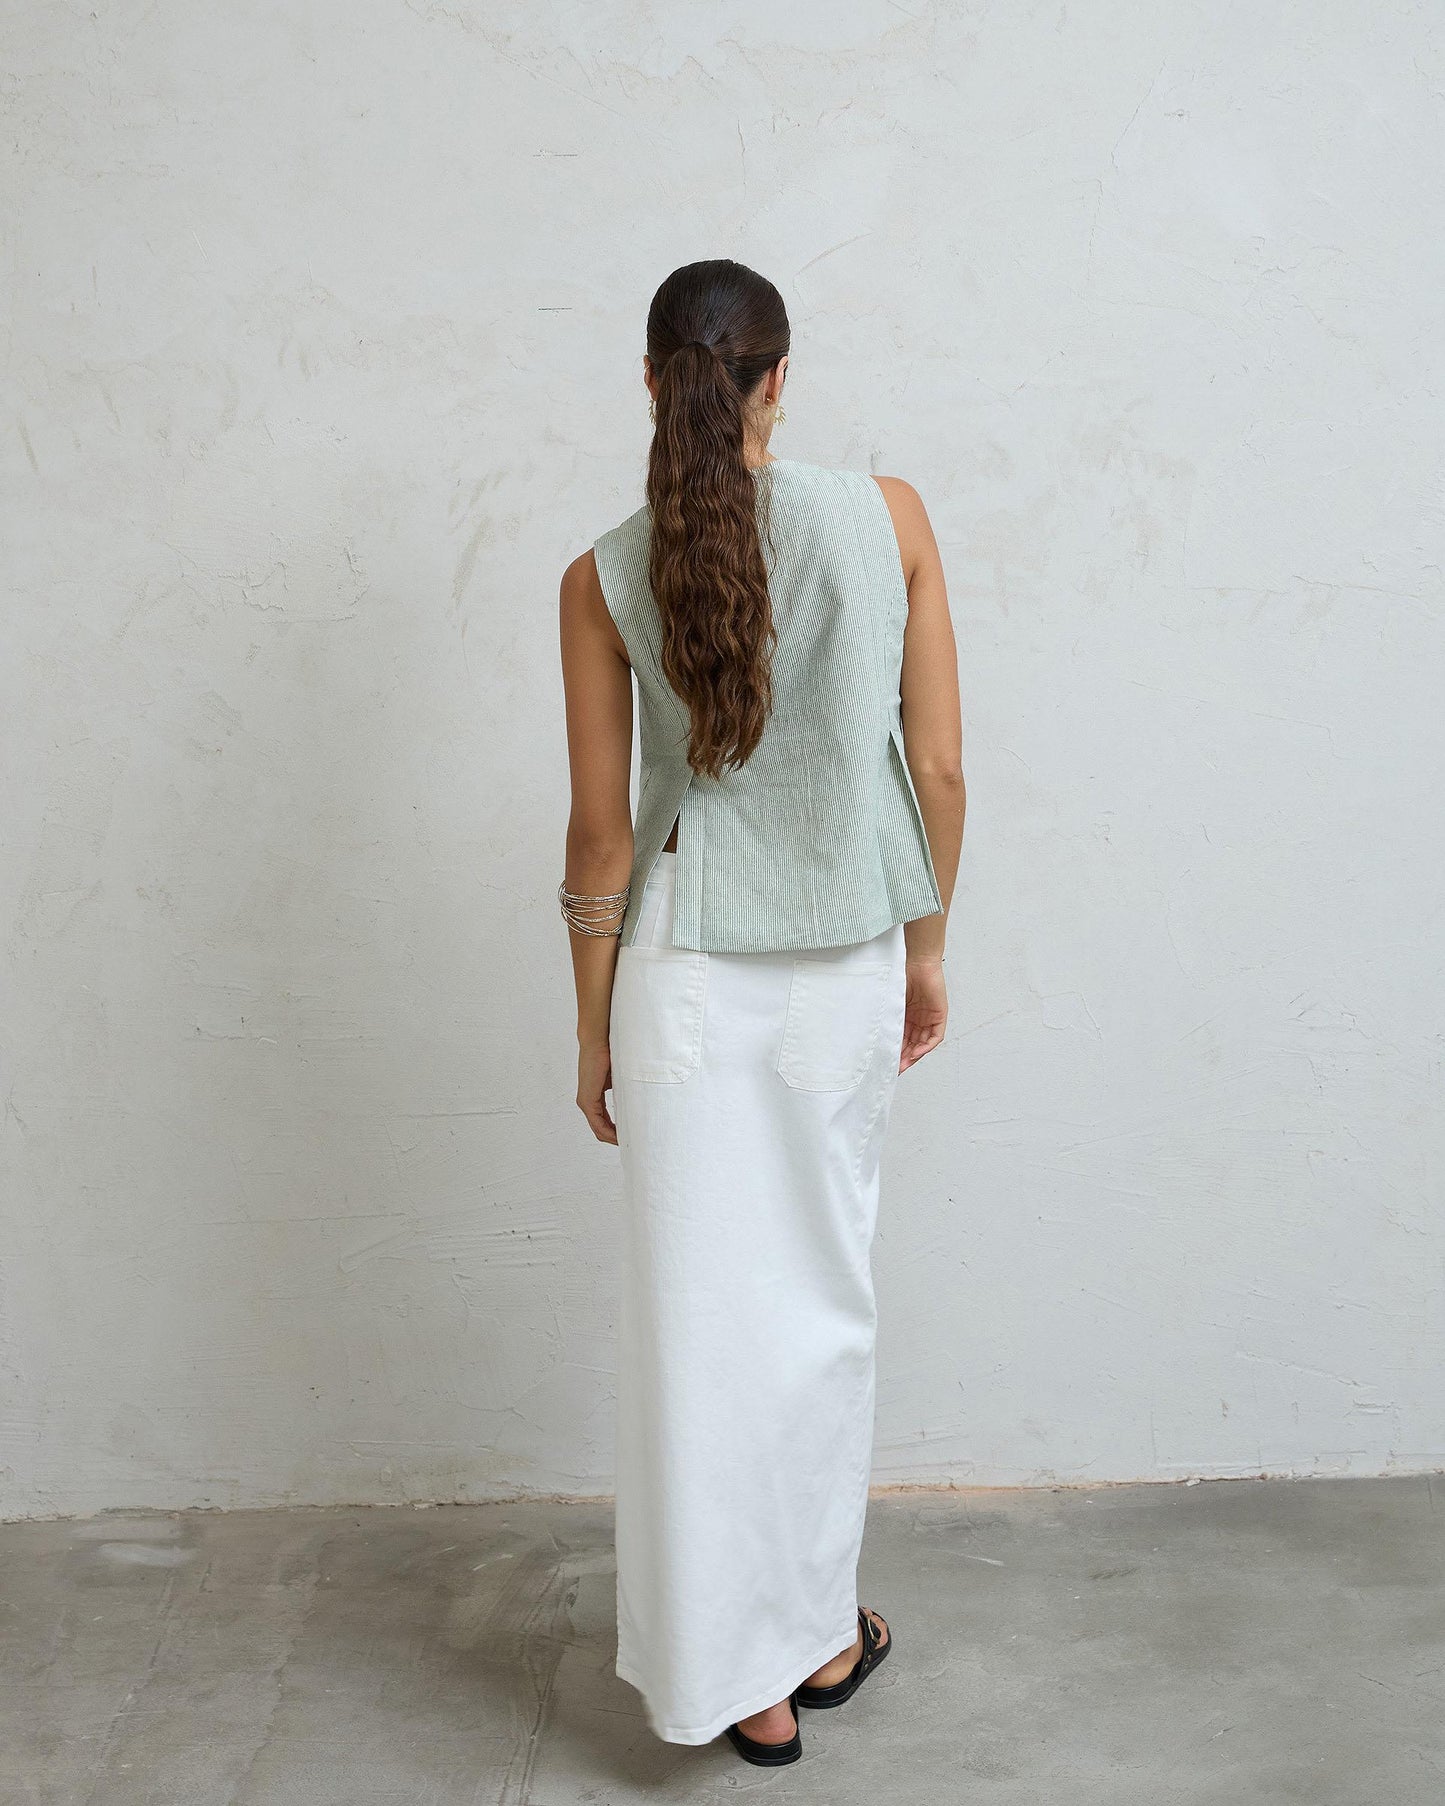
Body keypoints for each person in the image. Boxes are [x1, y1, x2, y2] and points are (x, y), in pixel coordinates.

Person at [558, 258, 966, 1766]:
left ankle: (741, 1679)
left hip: (676, 972)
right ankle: (811, 1630)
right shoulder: (891, 518)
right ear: (779, 378)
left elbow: (601, 839)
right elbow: (938, 773)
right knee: (816, 1313)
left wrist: (590, 1025)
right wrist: (927, 947)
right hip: (842, 957)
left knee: (695, 1328)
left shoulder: (600, 575)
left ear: (649, 379)